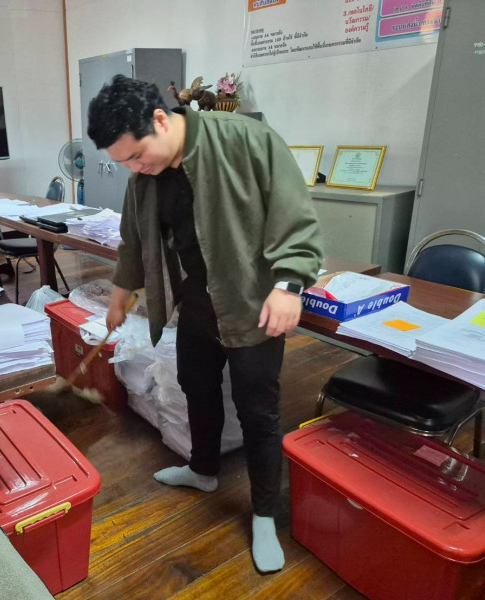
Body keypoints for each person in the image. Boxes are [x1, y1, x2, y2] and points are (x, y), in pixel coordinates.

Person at [87, 75, 322, 573]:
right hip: (197, 299)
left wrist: (289, 285)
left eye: (137, 155)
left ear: (160, 119)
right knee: (197, 385)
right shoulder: (144, 175)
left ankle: (264, 513)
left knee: (258, 410)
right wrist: (121, 294)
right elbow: (133, 241)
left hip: (253, 303)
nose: (134, 167)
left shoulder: (246, 140)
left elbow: (295, 218)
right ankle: (203, 469)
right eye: (124, 162)